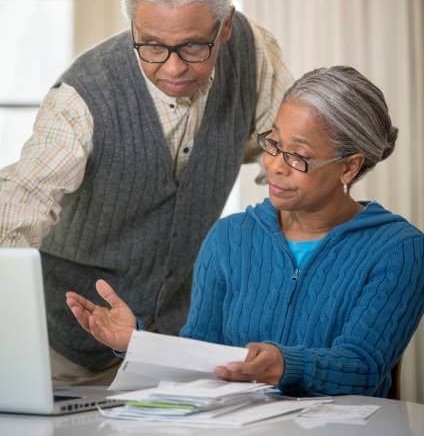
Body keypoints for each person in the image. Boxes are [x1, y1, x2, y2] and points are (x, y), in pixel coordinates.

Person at [0, 0, 293, 385]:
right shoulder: (82, 96)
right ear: (133, 25)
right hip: (66, 348)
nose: (173, 67)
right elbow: (21, 202)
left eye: (194, 46)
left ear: (226, 25)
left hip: (173, 340)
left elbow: (291, 155)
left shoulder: (253, 54)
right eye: (152, 46)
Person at [66, 66, 423, 396]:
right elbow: (201, 354)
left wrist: (286, 365)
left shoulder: (399, 250)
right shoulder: (230, 238)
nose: (275, 167)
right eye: (274, 144)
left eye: (298, 155)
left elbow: (363, 368)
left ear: (349, 167)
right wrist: (136, 341)